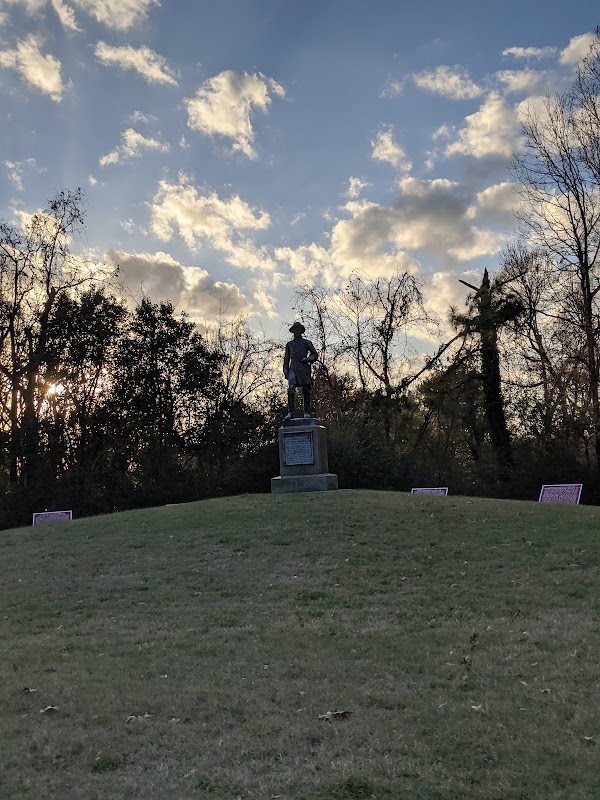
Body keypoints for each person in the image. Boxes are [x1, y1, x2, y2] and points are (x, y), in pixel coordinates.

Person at [283, 322, 318, 419]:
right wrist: (286, 371)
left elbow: (315, 354)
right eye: (295, 330)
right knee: (291, 389)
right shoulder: (289, 344)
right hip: (293, 367)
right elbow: (286, 359)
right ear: (293, 331)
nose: (296, 331)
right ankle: (290, 412)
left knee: (306, 389)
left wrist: (307, 359)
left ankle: (306, 412)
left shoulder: (307, 343)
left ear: (301, 331)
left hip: (303, 367)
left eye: (298, 329)